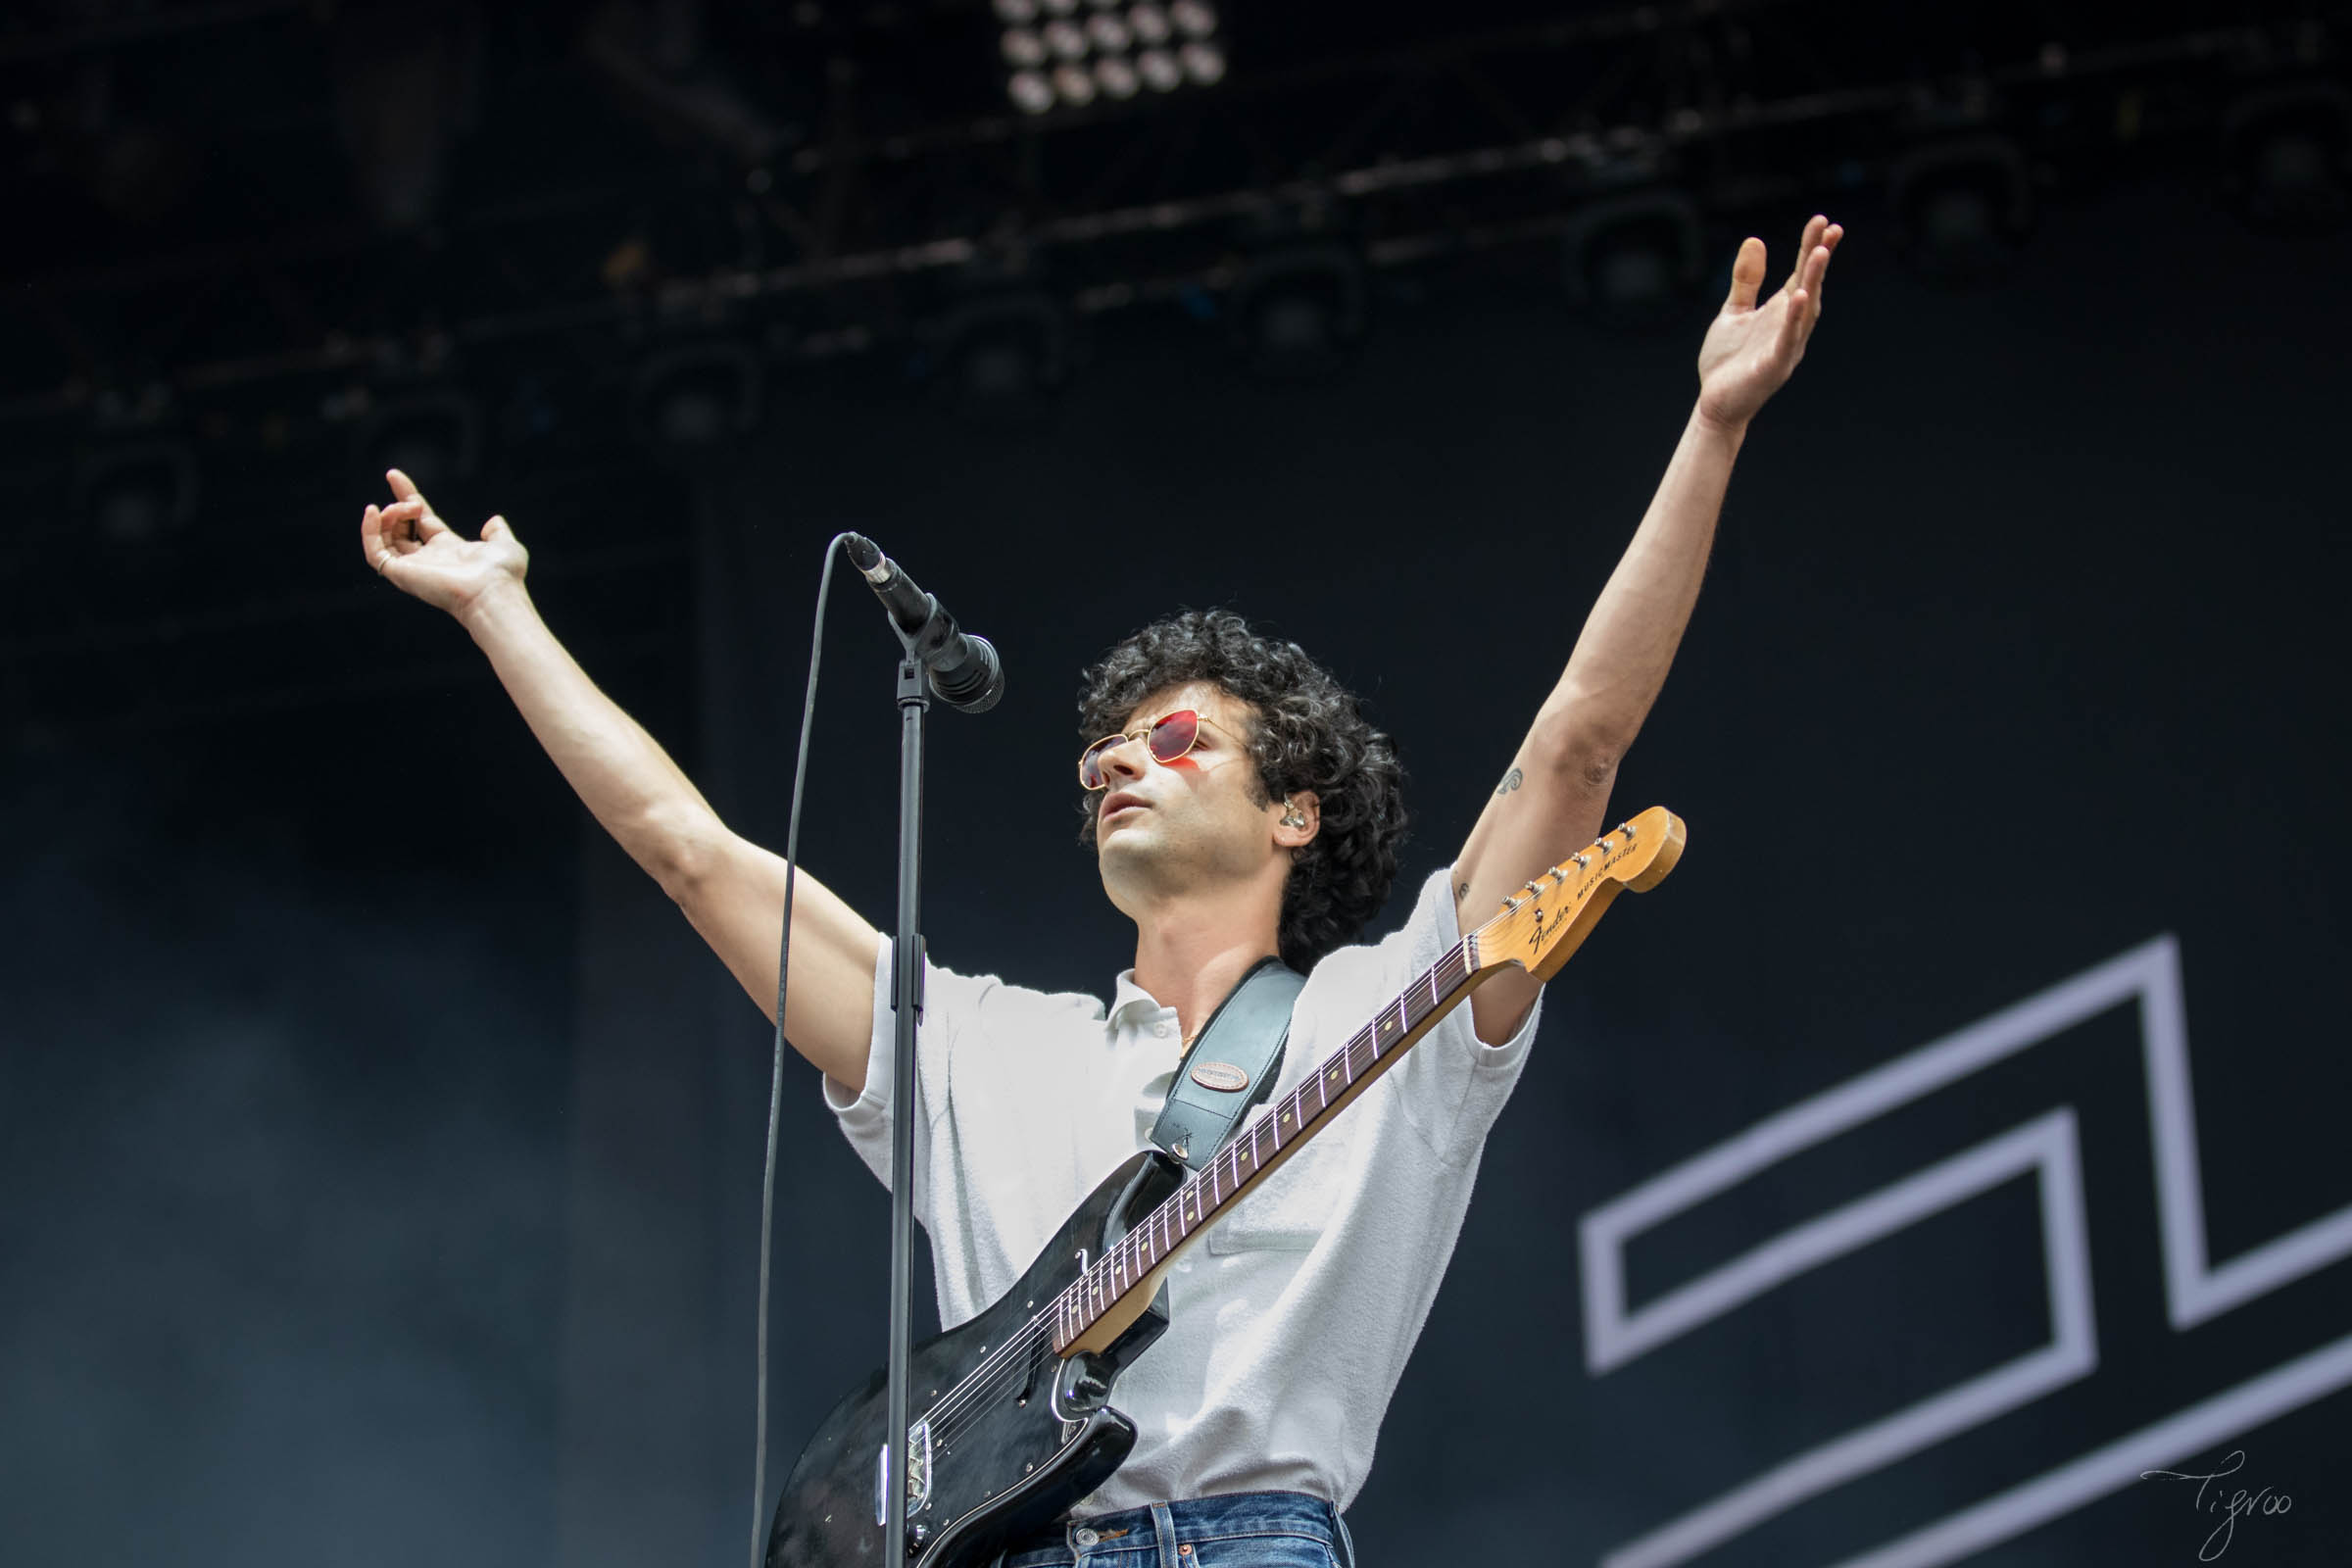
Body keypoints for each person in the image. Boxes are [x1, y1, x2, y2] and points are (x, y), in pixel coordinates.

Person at [360, 217, 1842, 1568]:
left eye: (1180, 738)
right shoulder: (984, 1049)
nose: (1123, 763)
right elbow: (686, 851)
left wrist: (1713, 424)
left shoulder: (1394, 1007)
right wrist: (501, 610)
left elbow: (1575, 746)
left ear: (1294, 811)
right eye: (1103, 755)